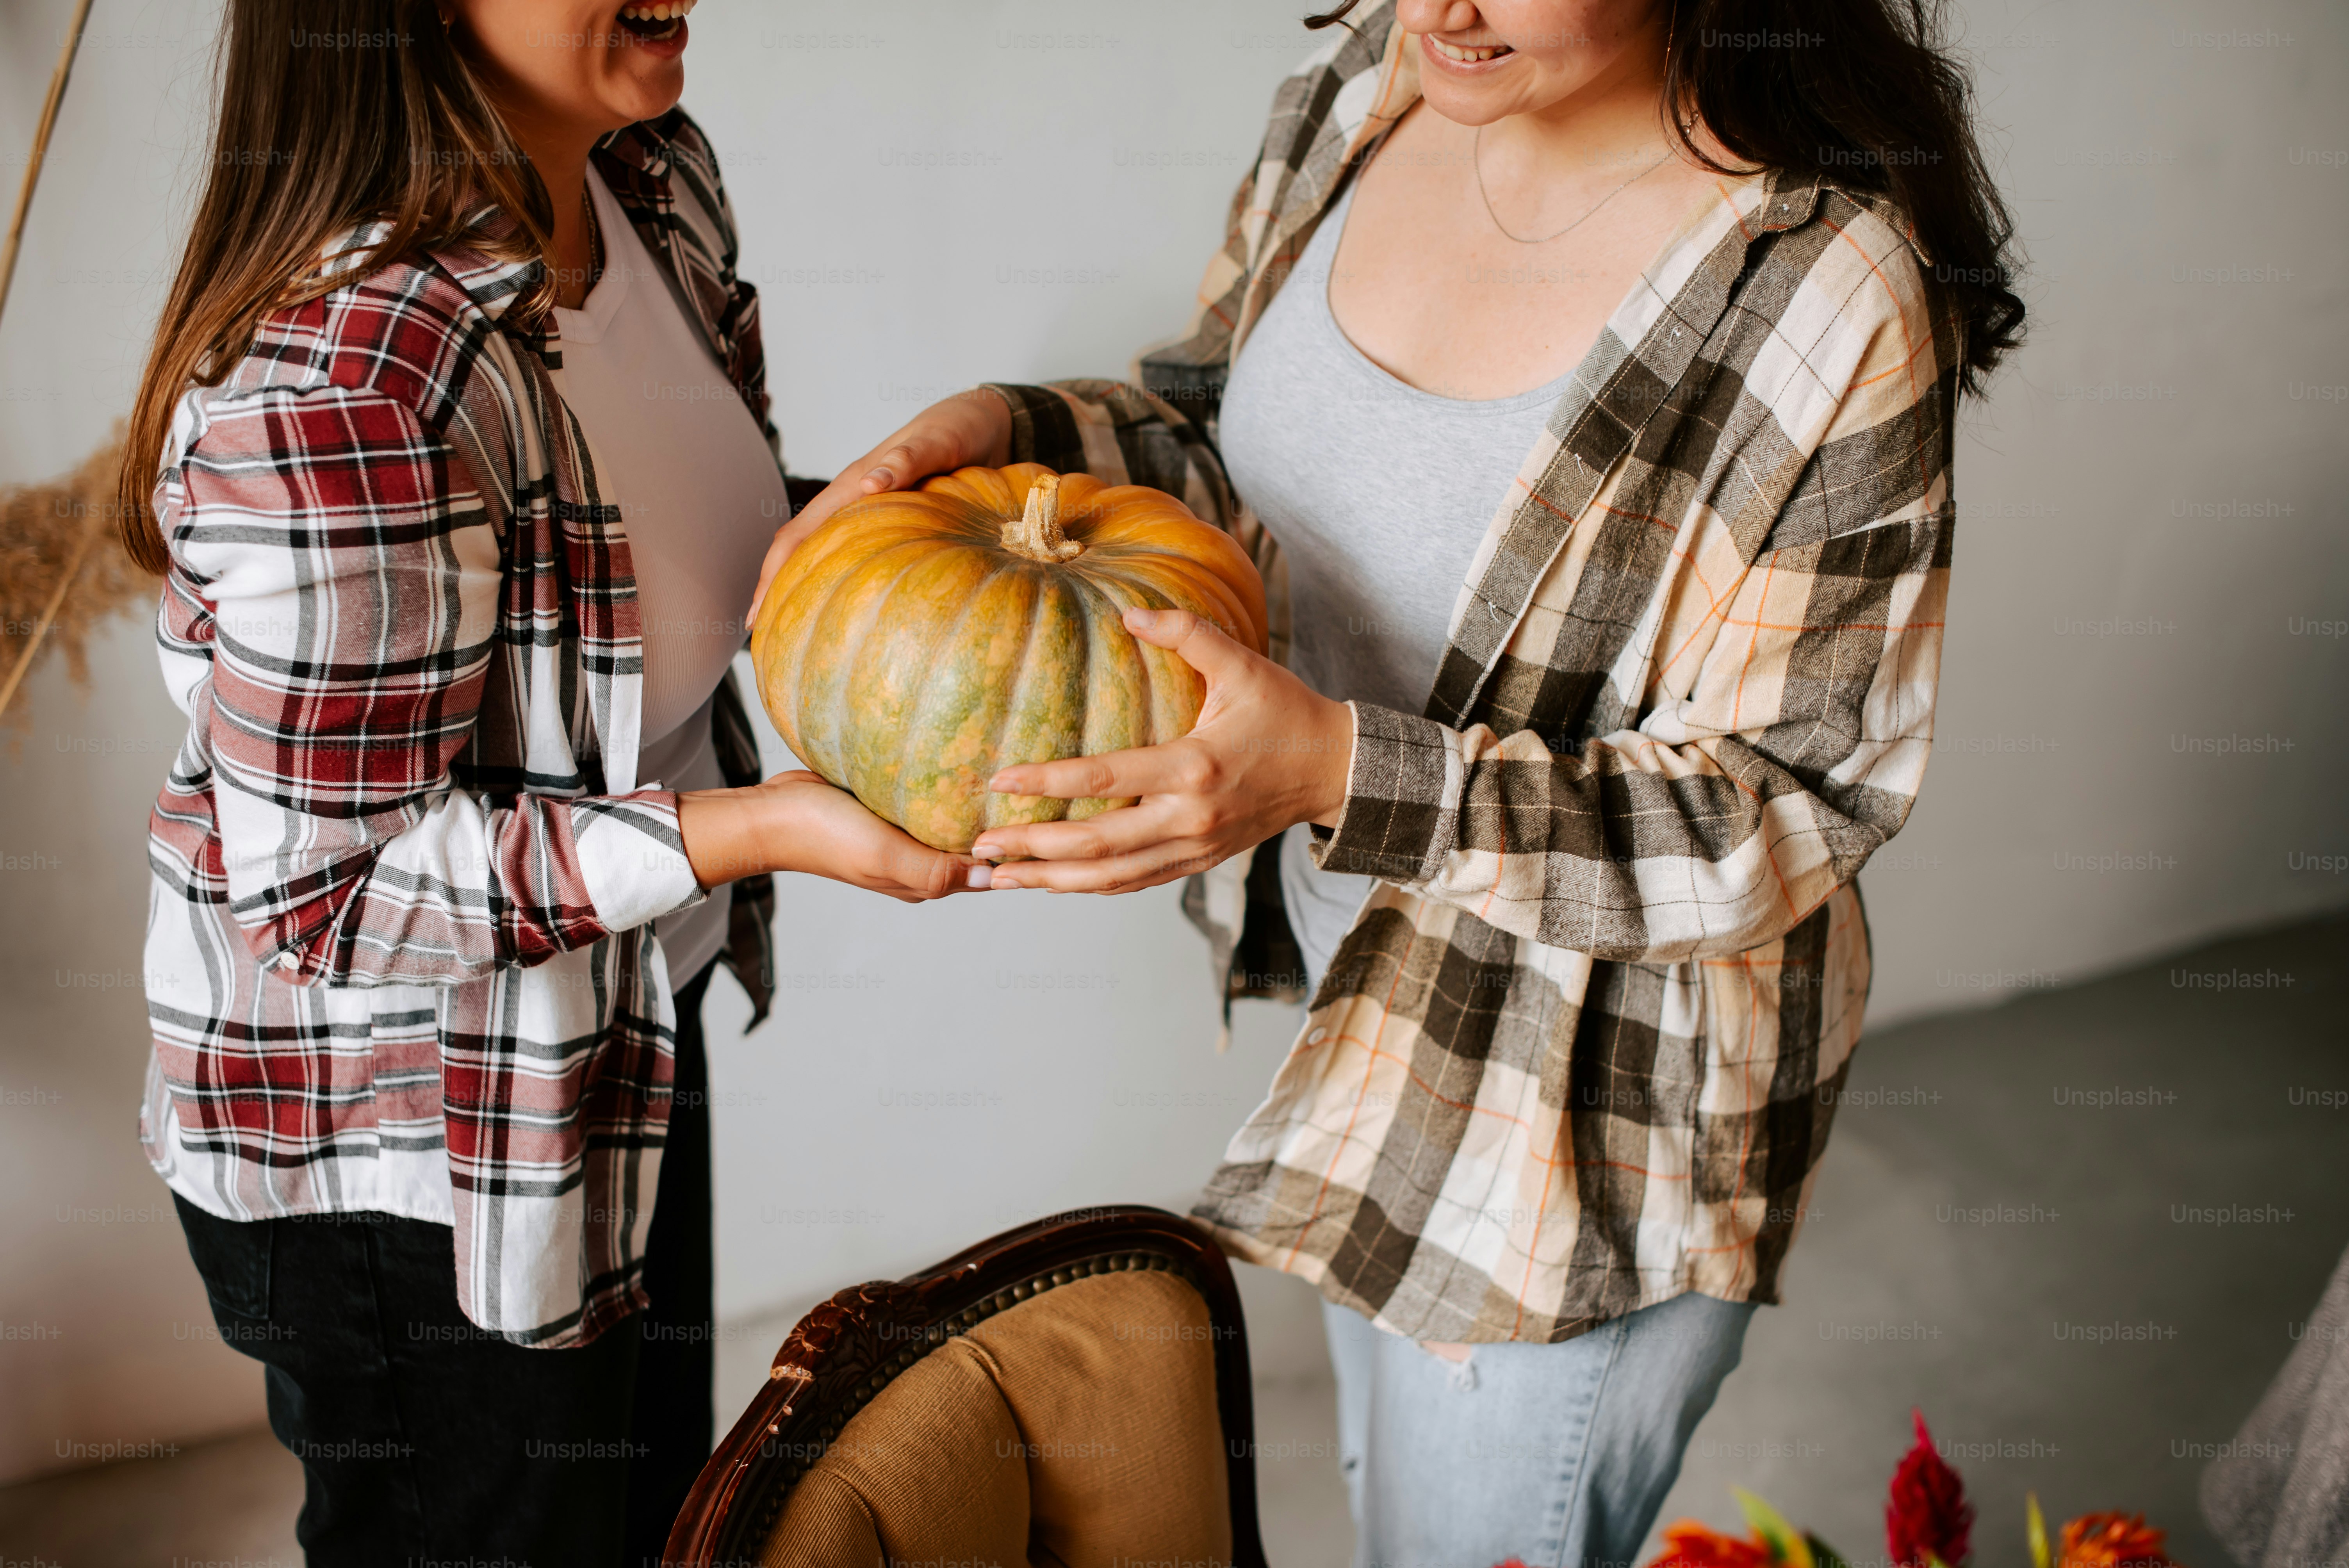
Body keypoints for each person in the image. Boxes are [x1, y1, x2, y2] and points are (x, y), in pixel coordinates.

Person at [762, 0, 2023, 1559]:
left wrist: (1340, 773)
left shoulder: (1825, 292)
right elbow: (1227, 429)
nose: (1443, 5)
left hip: (1575, 1122)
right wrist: (1018, 431)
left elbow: (1788, 803)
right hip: (1370, 1018)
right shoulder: (1372, 78)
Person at [121, 4, 983, 1564]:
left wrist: (935, 572)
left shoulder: (642, 181)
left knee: (656, 1521)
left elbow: (627, 564)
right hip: (405, 1147)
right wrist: (768, 826)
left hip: (624, 1012)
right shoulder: (340, 384)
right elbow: (330, 899)